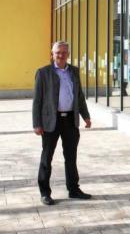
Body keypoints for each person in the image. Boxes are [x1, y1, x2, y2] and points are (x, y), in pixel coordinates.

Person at [33, 41, 92, 205]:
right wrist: (36, 123)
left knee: (71, 158)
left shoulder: (73, 71)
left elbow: (79, 96)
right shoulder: (43, 73)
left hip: (70, 121)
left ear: (68, 54)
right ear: (52, 54)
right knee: (47, 157)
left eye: (64, 52)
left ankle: (73, 189)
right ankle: (45, 193)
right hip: (51, 122)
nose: (61, 55)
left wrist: (85, 116)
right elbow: (37, 101)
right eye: (58, 52)